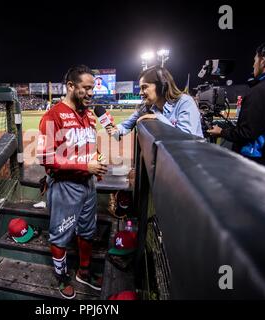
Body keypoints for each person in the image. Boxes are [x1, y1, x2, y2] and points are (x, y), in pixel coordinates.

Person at [36, 65, 107, 299]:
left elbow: (90, 146)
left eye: (92, 89)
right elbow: (46, 160)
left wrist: (98, 161)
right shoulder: (53, 116)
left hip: (88, 185)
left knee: (87, 231)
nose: (90, 93)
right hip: (65, 185)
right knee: (60, 235)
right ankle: (62, 277)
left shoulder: (88, 115)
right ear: (70, 86)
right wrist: (84, 166)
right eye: (86, 88)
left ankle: (84, 272)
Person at [208, 36, 265, 172]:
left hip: (257, 166)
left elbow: (246, 133)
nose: (253, 65)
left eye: (255, 60)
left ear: (263, 61)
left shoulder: (262, 89)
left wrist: (221, 131)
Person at [107, 66, 204, 139]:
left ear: (162, 85)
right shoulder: (145, 107)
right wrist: (115, 130)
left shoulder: (185, 102)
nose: (140, 93)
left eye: (144, 87)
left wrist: (158, 117)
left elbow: (187, 139)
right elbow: (125, 126)